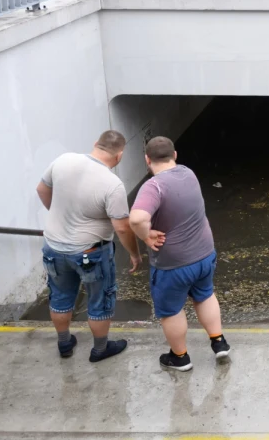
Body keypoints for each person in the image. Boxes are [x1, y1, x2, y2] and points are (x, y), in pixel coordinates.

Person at [36, 130, 141, 362]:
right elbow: (122, 228)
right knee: (100, 300)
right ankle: (100, 349)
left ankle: (64, 343)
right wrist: (135, 254)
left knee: (60, 296)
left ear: (96, 144)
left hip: (53, 247)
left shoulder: (62, 160)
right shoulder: (113, 184)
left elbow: (42, 189)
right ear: (119, 155)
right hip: (91, 252)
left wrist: (60, 215)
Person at [130, 136, 229, 372]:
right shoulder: (188, 173)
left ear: (147, 160)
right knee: (205, 295)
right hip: (204, 254)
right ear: (175, 155)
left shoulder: (153, 186)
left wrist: (145, 235)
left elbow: (136, 219)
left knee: (171, 311)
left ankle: (180, 357)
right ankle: (219, 342)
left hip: (173, 265)